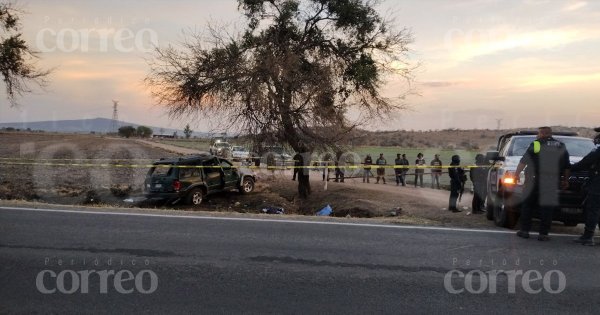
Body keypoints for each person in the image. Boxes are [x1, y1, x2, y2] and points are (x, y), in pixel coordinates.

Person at [514, 127, 570, 241]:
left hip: (534, 180)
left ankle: (525, 231)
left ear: (543, 133)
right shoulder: (560, 145)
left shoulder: (537, 144)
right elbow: (567, 166)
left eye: (538, 133)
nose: (537, 135)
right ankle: (543, 234)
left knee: (528, 205)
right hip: (551, 180)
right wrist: (565, 180)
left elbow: (524, 160)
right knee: (547, 208)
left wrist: (516, 174)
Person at [572, 127, 600, 246]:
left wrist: (569, 167)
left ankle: (588, 236)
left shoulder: (598, 150)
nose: (597, 137)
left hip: (598, 184)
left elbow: (585, 163)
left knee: (593, 209)